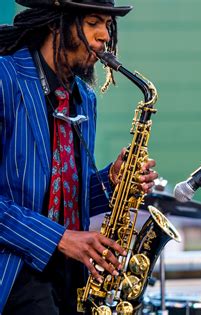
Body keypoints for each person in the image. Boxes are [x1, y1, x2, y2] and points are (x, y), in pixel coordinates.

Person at [0, 1, 158, 313]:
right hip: (13, 274)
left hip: (71, 279)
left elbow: (62, 196)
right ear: (56, 24)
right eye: (92, 22)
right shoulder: (5, 79)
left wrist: (113, 180)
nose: (104, 36)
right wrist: (60, 238)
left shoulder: (84, 99)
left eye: (108, 25)